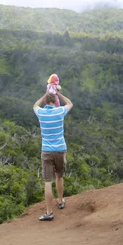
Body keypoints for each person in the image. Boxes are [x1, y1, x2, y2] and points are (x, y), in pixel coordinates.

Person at [33, 91, 73, 221]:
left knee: (48, 181)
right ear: (55, 102)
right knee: (59, 176)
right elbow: (70, 103)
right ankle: (60, 201)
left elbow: (34, 105)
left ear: (45, 101)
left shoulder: (41, 113)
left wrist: (45, 94)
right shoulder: (60, 111)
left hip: (47, 151)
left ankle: (49, 212)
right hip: (60, 149)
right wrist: (59, 94)